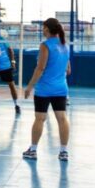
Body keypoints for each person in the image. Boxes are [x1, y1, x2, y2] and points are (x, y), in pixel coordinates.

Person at [23, 18, 71, 161]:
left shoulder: (45, 45)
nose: (42, 30)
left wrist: (30, 86)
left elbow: (40, 68)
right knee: (62, 119)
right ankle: (63, 152)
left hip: (44, 89)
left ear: (47, 29)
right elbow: (68, 70)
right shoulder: (65, 45)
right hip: (61, 88)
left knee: (39, 119)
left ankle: (33, 150)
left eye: (43, 27)